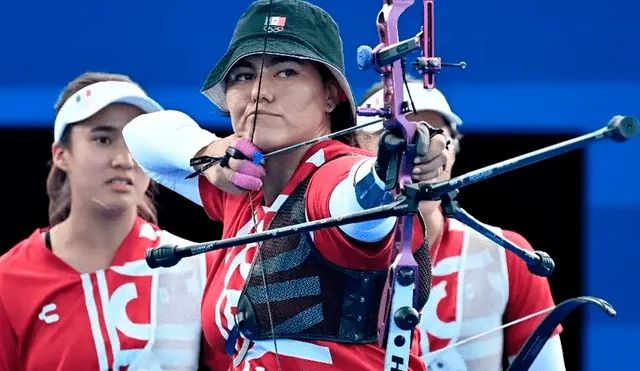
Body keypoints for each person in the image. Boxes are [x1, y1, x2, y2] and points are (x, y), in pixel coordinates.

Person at [121, 1, 451, 370]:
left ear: (330, 95)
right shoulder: (242, 187)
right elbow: (139, 134)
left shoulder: (334, 175)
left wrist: (386, 170)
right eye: (244, 76)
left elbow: (356, 203)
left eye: (287, 72)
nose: (259, 93)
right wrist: (209, 153)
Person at [0, 72, 210, 371]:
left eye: (135, 143)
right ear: (61, 154)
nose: (123, 159)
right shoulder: (8, 280)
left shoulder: (197, 266)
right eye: (103, 139)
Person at [355, 79, 566, 370]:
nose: (421, 153)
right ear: (357, 149)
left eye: (436, 138)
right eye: (397, 138)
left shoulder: (509, 255)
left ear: (454, 150)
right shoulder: (319, 248)